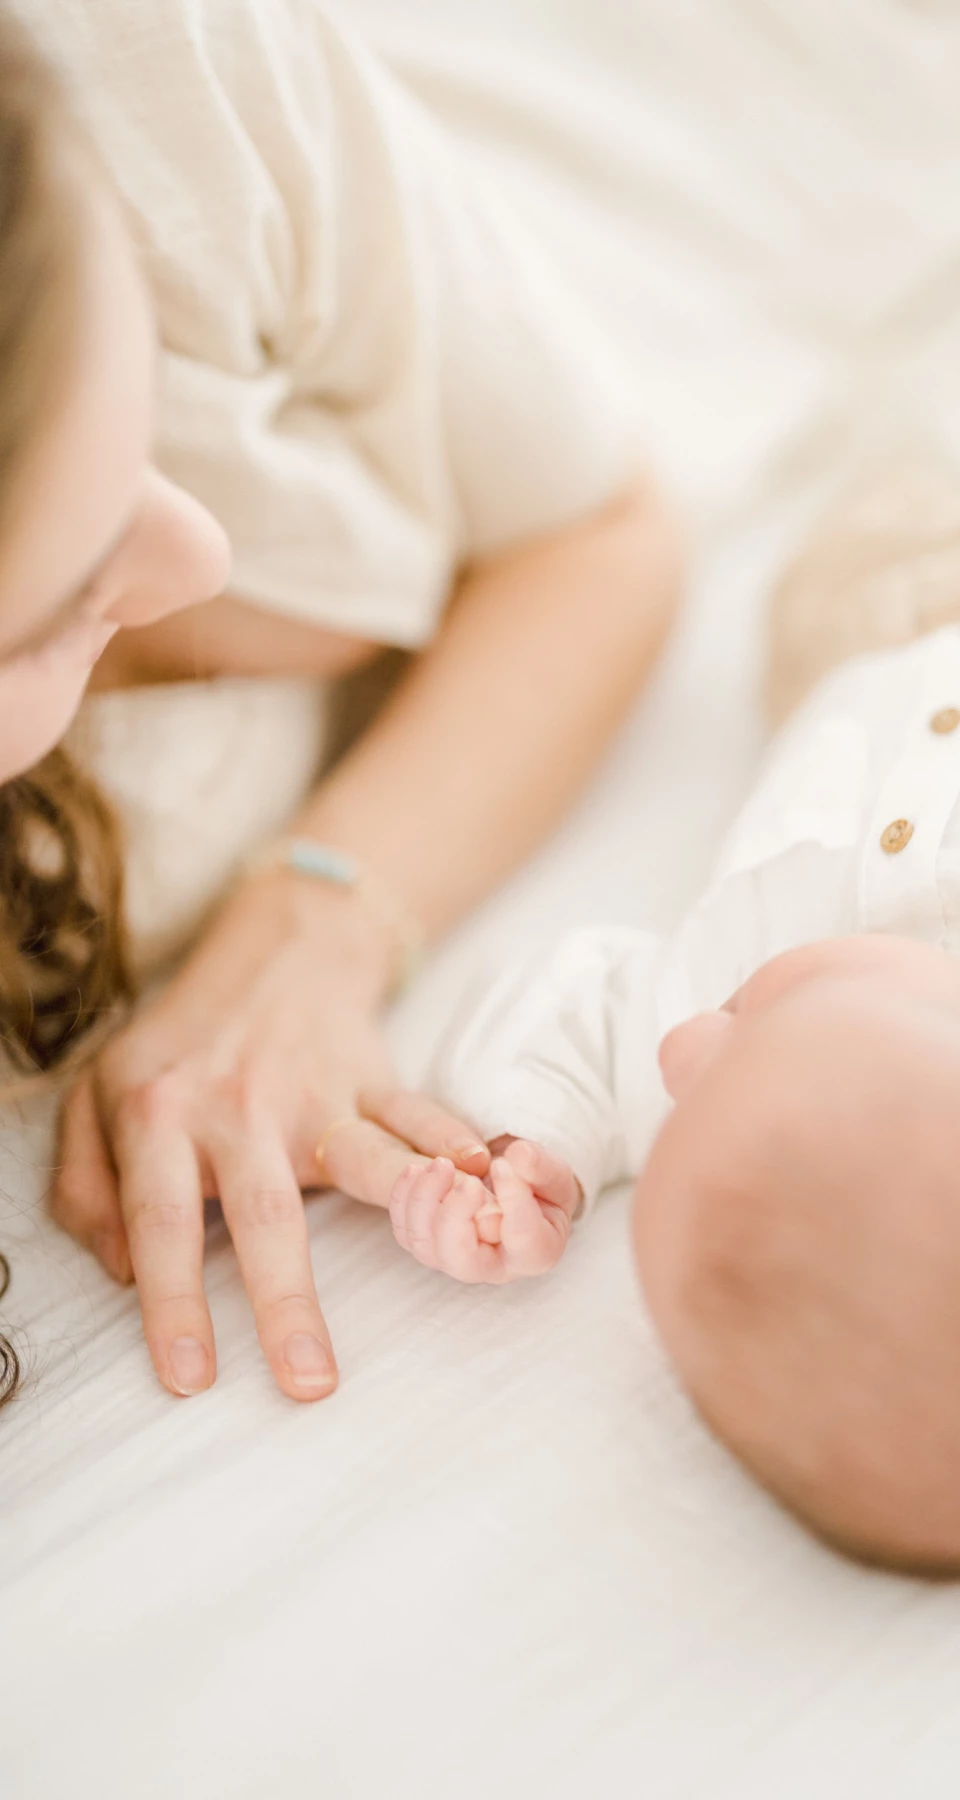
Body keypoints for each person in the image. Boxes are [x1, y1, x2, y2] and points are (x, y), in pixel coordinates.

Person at [0, 1, 679, 1407]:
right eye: (43, 614)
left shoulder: (134, 69)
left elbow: (600, 523)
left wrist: (317, 916)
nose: (204, 556)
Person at [392, 576, 960, 1574]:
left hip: (873, 612)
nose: (685, 1044)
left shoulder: (724, 1087)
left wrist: (535, 1141)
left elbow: (582, 1001)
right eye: (773, 1016)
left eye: (676, 1108)